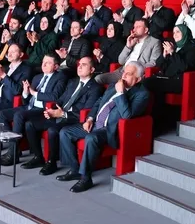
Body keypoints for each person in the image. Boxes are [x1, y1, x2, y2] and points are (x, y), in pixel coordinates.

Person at [58, 61, 150, 193]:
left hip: (111, 130)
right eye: (124, 72)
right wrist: (90, 119)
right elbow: (98, 102)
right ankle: (74, 169)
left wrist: (121, 93)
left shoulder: (142, 94)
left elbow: (127, 115)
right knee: (65, 132)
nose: (124, 76)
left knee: (91, 138)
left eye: (129, 74)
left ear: (139, 79)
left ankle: (86, 178)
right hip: (95, 124)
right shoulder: (113, 85)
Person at [14, 57, 103, 170]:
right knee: (30, 124)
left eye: (84, 65)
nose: (79, 67)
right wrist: (51, 110)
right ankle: (38, 157)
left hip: (72, 119)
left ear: (92, 69)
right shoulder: (73, 82)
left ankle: (52, 162)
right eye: (79, 64)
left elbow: (86, 111)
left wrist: (63, 114)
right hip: (59, 114)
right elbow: (60, 100)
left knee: (53, 130)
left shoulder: (95, 88)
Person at [0, 54, 68, 170]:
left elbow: (54, 97)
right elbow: (26, 100)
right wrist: (25, 93)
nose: (44, 65)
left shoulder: (60, 77)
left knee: (19, 115)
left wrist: (34, 93)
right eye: (43, 62)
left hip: (42, 110)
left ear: (56, 66)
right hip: (29, 106)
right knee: (1, 114)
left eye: (48, 63)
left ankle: (12, 154)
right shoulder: (37, 77)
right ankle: (14, 148)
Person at [144, 24, 195, 133]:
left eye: (178, 32)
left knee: (147, 83)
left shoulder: (193, 48)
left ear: (185, 33)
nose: (175, 35)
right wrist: (165, 55)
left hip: (181, 81)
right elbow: (159, 65)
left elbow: (185, 67)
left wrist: (172, 53)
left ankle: (155, 123)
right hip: (168, 78)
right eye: (174, 32)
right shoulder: (174, 47)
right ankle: (156, 122)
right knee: (152, 87)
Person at [95, 19, 161, 85]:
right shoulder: (132, 40)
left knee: (122, 85)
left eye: (138, 27)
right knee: (98, 78)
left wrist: (136, 68)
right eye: (134, 27)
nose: (134, 29)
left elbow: (154, 62)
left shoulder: (154, 42)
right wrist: (128, 46)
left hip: (136, 74)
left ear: (146, 30)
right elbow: (121, 61)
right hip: (122, 71)